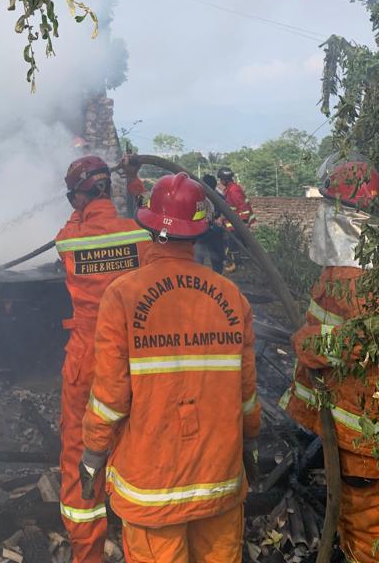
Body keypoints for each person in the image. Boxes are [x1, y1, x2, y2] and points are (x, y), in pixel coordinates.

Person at [80, 172, 261, 563]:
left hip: (152, 489)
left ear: (149, 226)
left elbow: (110, 398)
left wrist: (92, 454)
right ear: (197, 232)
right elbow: (246, 395)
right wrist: (248, 444)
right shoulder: (232, 297)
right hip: (219, 482)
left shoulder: (123, 296)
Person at [281, 157, 379, 563]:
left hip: (363, 436)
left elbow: (358, 341)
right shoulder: (365, 269)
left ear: (347, 218)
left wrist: (307, 344)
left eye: (328, 206)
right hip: (354, 429)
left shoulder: (364, 280)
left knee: (370, 529)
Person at [55, 154, 151, 563]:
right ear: (106, 189)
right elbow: (146, 219)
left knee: (80, 452)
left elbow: (79, 226)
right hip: (134, 359)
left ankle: (87, 554)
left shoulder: (69, 238)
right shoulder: (141, 236)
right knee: (137, 449)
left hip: (87, 359)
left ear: (79, 195)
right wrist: (133, 181)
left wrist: (84, 205)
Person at [217, 167, 254, 271]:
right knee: (233, 244)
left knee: (234, 244)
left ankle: (237, 265)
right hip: (234, 223)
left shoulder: (233, 190)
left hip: (238, 223)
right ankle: (236, 264)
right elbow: (230, 208)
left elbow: (243, 208)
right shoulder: (230, 189)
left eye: (220, 179)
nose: (220, 181)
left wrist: (243, 222)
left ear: (224, 180)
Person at [194, 173, 225, 274]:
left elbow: (226, 212)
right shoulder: (197, 197)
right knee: (200, 257)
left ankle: (213, 275)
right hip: (203, 232)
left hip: (210, 231)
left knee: (214, 257)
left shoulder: (219, 198)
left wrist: (220, 219)